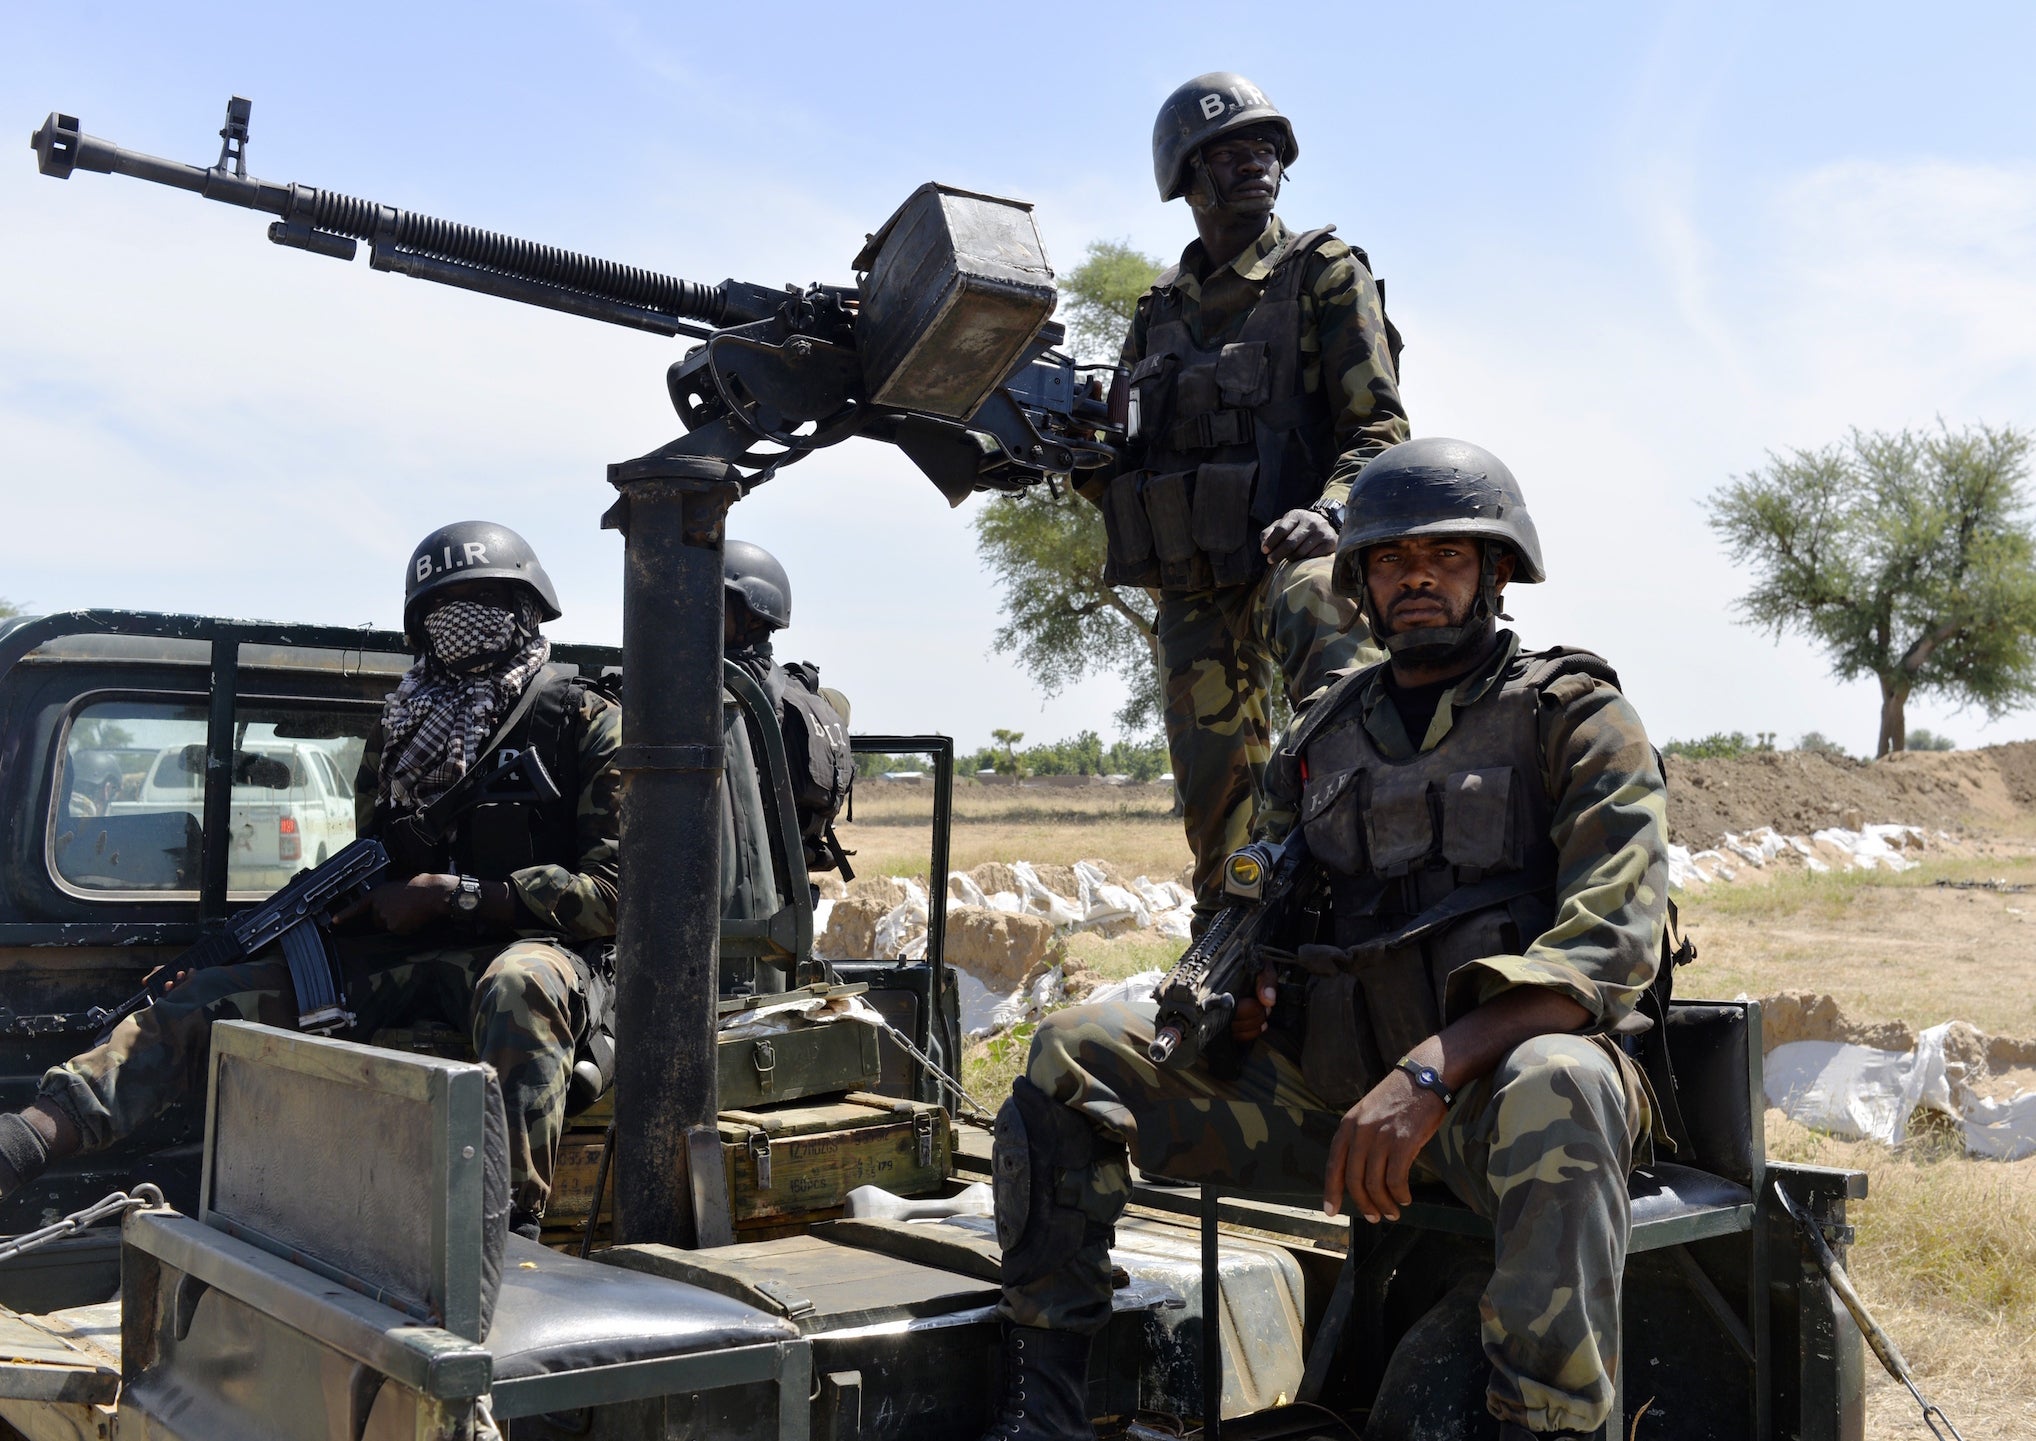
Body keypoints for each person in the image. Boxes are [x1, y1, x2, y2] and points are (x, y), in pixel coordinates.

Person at [979, 439, 1668, 1441]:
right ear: (1361, 583)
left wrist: (1428, 1075)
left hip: (1492, 1108)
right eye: (1390, 560)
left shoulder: (1573, 715)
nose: (1416, 577)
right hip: (1333, 1098)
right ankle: (1044, 1404)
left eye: (1444, 555)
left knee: (1561, 1080)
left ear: (1496, 571)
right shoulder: (1318, 735)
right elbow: (1247, 904)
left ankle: (1545, 1428)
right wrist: (1246, 988)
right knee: (1072, 1051)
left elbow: (1605, 950)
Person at [0, 521, 619, 1237]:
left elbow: (615, 896)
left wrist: (463, 896)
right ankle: (30, 1139)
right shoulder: (405, 731)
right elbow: (373, 863)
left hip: (539, 951)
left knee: (520, 984)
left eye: (487, 601)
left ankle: (509, 1238)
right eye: (447, 609)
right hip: (402, 960)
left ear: (529, 610)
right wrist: (289, 931)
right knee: (205, 992)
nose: (466, 624)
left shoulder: (584, 721)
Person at [1085, 71, 1411, 919]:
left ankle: (1385, 887)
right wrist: (1059, 451)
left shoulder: (1325, 275)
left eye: (1266, 150)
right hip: (1197, 585)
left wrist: (1329, 514)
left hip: (1294, 559)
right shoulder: (1158, 311)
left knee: (1337, 670)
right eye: (1231, 154)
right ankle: (1230, 937)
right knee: (1211, 789)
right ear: (1188, 180)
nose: (1255, 166)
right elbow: (1123, 452)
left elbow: (1378, 430)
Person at [722, 539, 854, 888]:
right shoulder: (802, 694)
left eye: (715, 601)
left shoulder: (730, 689)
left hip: (737, 891)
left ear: (752, 615)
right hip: (777, 891)